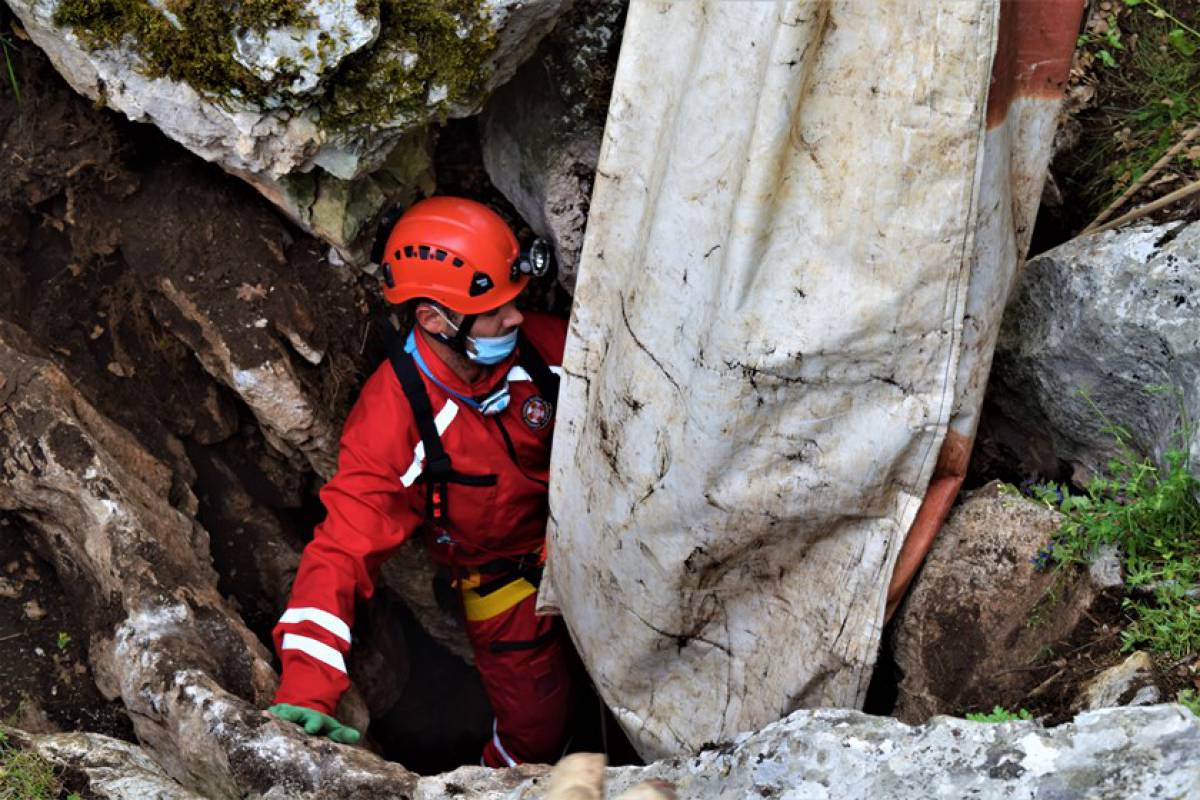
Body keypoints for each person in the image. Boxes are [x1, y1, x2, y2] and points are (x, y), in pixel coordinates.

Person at [267, 196, 572, 767]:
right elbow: (340, 554)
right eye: (494, 310)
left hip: (586, 547)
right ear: (434, 319)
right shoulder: (393, 423)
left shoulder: (547, 354)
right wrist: (307, 690)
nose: (516, 318)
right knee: (538, 735)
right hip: (503, 579)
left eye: (513, 301)